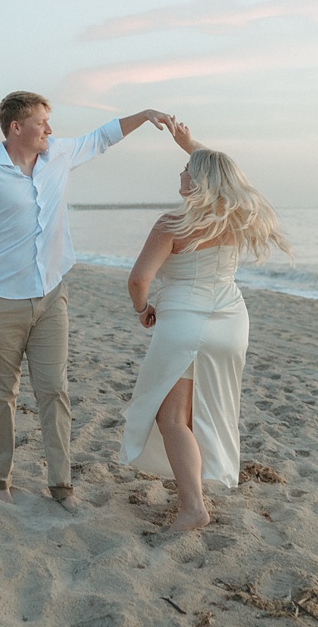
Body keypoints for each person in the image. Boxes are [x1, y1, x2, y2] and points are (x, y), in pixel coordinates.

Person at [0, 90, 175, 512]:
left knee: (55, 390)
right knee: (2, 395)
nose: (50, 131)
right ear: (16, 128)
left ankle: (61, 486)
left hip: (51, 297)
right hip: (0, 302)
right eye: (41, 123)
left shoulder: (58, 156)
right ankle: (0, 482)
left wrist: (144, 115)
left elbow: (102, 137)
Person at [119, 121, 292, 531]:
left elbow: (138, 280)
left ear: (197, 180)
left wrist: (141, 308)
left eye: (186, 167)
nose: (180, 172)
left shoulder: (171, 226)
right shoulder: (237, 219)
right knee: (206, 412)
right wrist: (192, 146)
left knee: (173, 418)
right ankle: (194, 492)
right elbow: (224, 173)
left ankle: (193, 507)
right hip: (230, 322)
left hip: (183, 322)